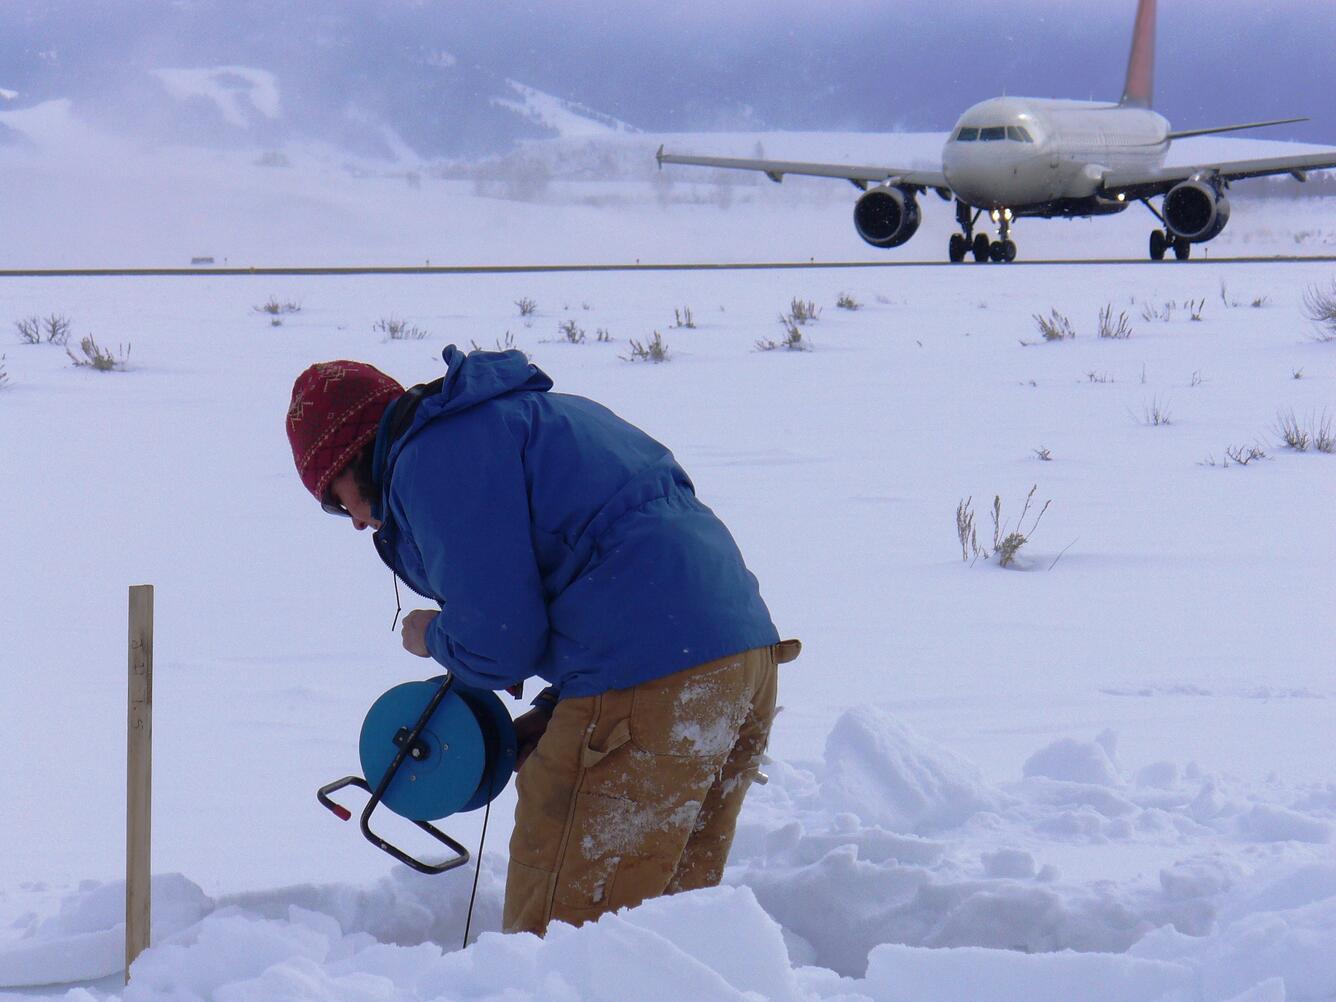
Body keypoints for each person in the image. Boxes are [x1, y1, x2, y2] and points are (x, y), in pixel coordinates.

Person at [286, 345, 798, 936]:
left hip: (651, 677)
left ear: (356, 451)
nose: (351, 519)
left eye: (333, 497)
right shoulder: (524, 418)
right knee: (664, 944)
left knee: (561, 948)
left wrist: (432, 637)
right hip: (740, 665)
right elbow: (617, 562)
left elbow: (497, 641)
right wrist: (559, 710)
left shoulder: (436, 456)